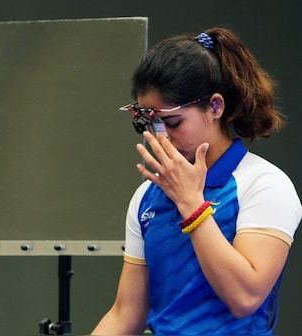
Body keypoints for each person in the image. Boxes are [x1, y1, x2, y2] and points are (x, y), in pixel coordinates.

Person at [91, 27, 301, 335]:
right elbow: (126, 314)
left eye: (172, 122)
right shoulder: (147, 197)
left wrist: (190, 202)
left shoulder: (264, 184)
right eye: (150, 124)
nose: (159, 136)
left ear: (215, 106)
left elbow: (245, 298)